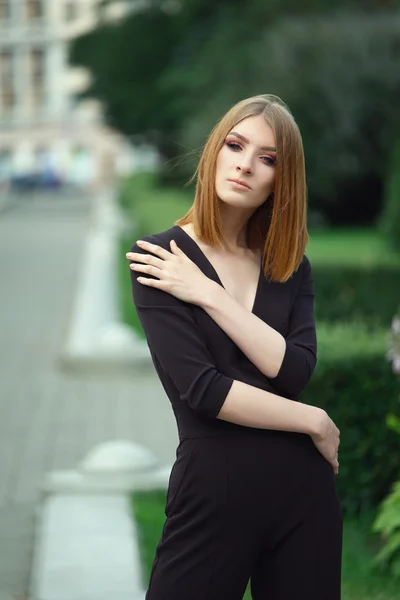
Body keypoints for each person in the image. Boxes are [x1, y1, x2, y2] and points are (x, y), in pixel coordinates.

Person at [126, 94, 342, 600]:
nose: (246, 164)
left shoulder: (289, 266)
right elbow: (203, 390)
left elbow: (292, 371)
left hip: (302, 493)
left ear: (281, 180)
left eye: (268, 158)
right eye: (236, 144)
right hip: (213, 490)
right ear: (214, 152)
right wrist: (312, 419)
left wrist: (207, 294)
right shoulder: (158, 258)